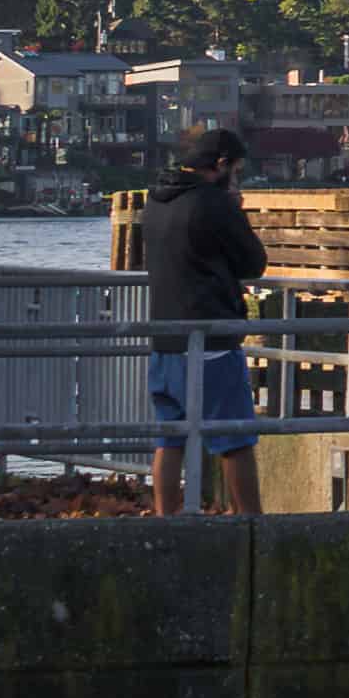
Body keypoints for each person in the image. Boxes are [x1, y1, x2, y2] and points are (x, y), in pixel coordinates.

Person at [137, 126, 265, 510]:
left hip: (165, 339)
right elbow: (253, 263)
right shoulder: (213, 203)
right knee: (235, 439)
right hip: (210, 339)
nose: (236, 179)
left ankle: (166, 522)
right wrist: (235, 211)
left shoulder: (157, 200)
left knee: (170, 439)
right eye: (236, 171)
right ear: (221, 164)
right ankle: (253, 525)